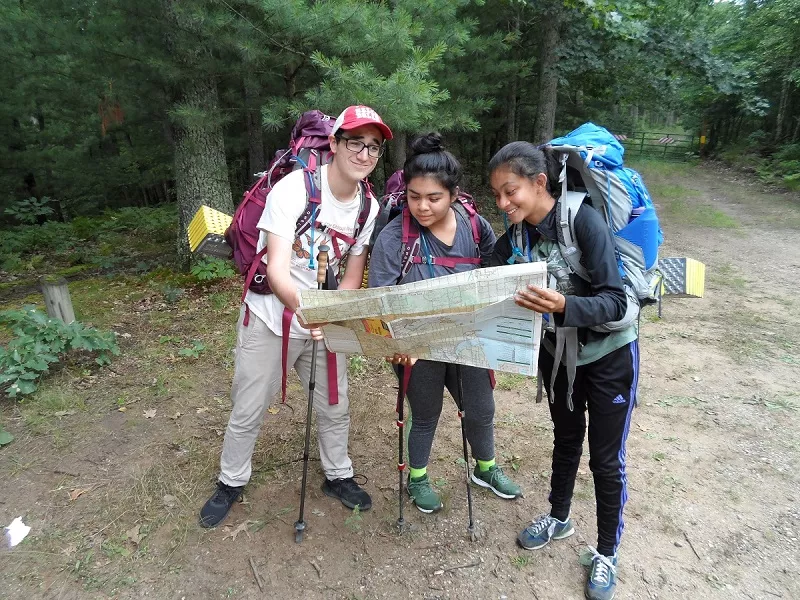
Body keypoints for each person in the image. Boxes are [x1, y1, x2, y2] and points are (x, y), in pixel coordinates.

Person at [199, 105, 393, 527]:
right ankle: (231, 481)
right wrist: (307, 312)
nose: (364, 154)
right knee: (250, 404)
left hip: (322, 320)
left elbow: (352, 272)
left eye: (373, 148)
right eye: (355, 143)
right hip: (272, 315)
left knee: (333, 401)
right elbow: (277, 268)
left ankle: (338, 474)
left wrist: (333, 314)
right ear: (336, 144)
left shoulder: (368, 207)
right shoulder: (293, 189)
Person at [488, 141, 639, 600]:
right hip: (557, 355)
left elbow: (615, 300)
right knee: (567, 438)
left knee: (605, 459)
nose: (503, 203)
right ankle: (559, 516)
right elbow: (483, 274)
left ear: (538, 183)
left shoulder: (583, 221)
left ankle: (607, 552)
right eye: (496, 195)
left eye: (510, 191)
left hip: (611, 353)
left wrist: (565, 305)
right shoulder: (515, 236)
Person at [368, 132, 522, 514]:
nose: (422, 206)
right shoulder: (394, 236)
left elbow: (493, 274)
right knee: (425, 413)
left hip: (470, 335)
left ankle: (484, 468)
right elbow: (380, 298)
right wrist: (396, 345)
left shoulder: (474, 227)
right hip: (416, 345)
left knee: (481, 407)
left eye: (433, 198)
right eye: (414, 197)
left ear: (454, 194)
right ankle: (417, 477)